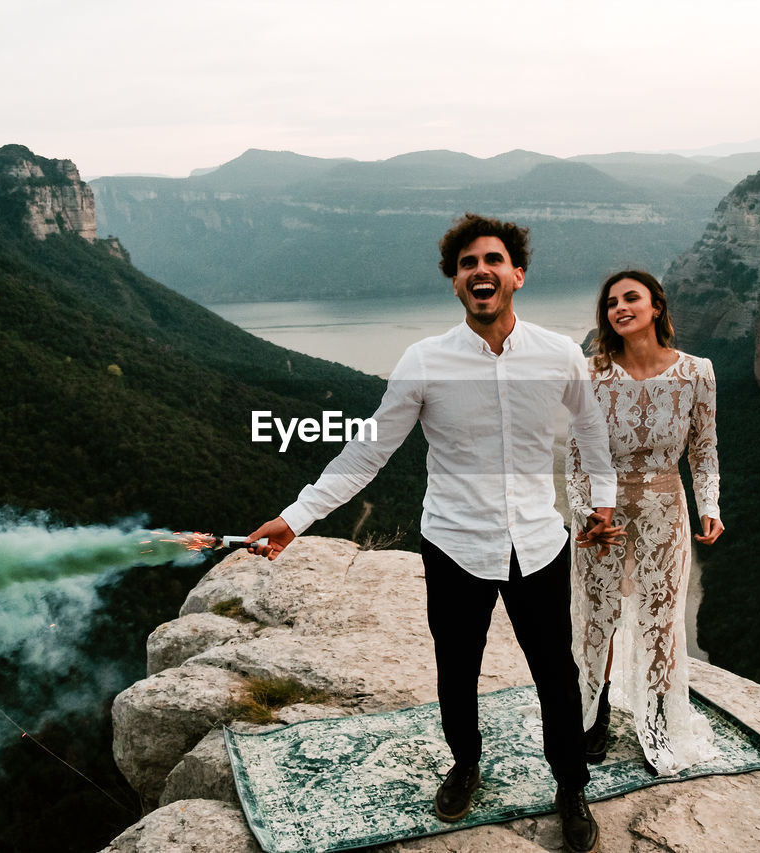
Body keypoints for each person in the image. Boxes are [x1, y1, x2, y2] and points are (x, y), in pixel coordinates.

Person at [246, 213, 617, 853]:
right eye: (467, 263)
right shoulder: (424, 361)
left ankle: (570, 787)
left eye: (493, 260)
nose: (481, 270)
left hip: (538, 541)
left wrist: (602, 504)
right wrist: (296, 518)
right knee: (456, 669)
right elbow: (367, 454)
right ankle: (465, 763)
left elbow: (590, 430)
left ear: (517, 276)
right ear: (455, 284)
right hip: (454, 544)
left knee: (557, 673)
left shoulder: (559, 355)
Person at [566, 269, 725, 777]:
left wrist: (710, 506)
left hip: (665, 509)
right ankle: (593, 712)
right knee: (598, 616)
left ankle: (655, 715)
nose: (619, 307)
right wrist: (587, 515)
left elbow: (703, 449)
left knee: (660, 618)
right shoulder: (592, 374)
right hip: (603, 514)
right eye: (611, 302)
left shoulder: (697, 373)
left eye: (631, 298)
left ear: (656, 306)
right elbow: (576, 456)